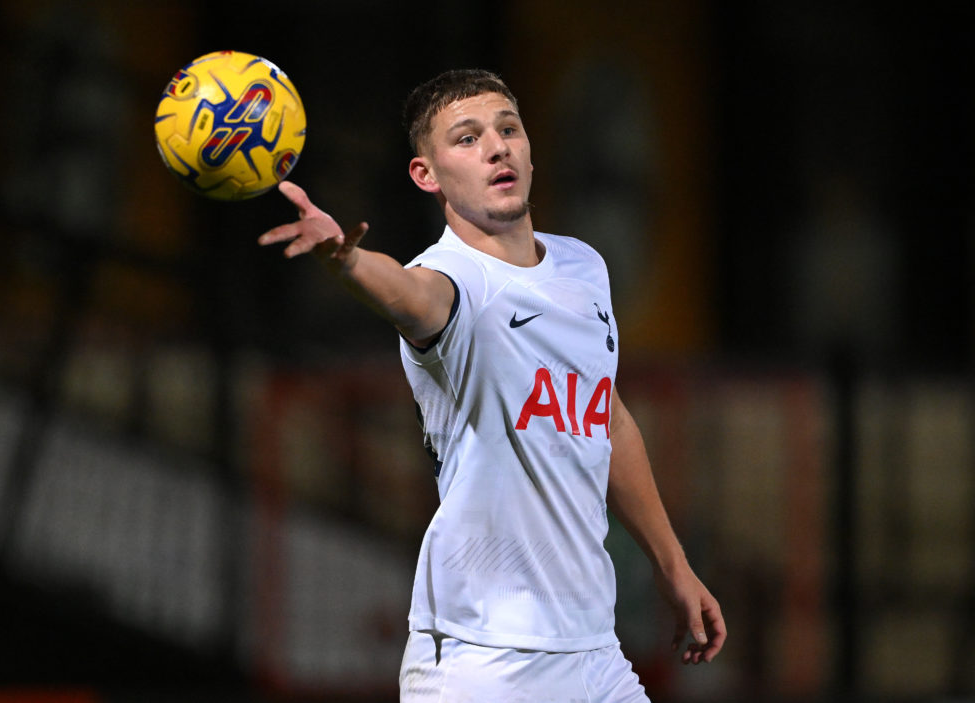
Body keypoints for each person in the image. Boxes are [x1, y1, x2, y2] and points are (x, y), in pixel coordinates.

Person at [259, 68, 725, 702]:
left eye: (508, 129)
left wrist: (674, 567)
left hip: (594, 651)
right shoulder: (450, 281)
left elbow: (607, 421)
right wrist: (347, 261)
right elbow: (408, 293)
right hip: (484, 661)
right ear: (427, 175)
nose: (497, 147)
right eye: (467, 138)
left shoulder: (584, 267)